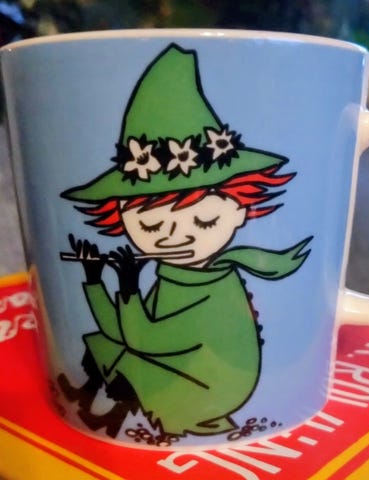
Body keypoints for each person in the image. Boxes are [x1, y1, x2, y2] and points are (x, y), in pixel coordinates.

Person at [58, 43, 311, 443]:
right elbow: (121, 329)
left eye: (205, 220)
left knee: (124, 355)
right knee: (106, 343)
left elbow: (145, 339)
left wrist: (127, 286)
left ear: (240, 211)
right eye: (151, 227)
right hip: (187, 371)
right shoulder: (174, 275)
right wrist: (93, 277)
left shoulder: (214, 284)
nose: (178, 237)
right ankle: (93, 407)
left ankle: (112, 415)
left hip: (212, 387)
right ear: (122, 220)